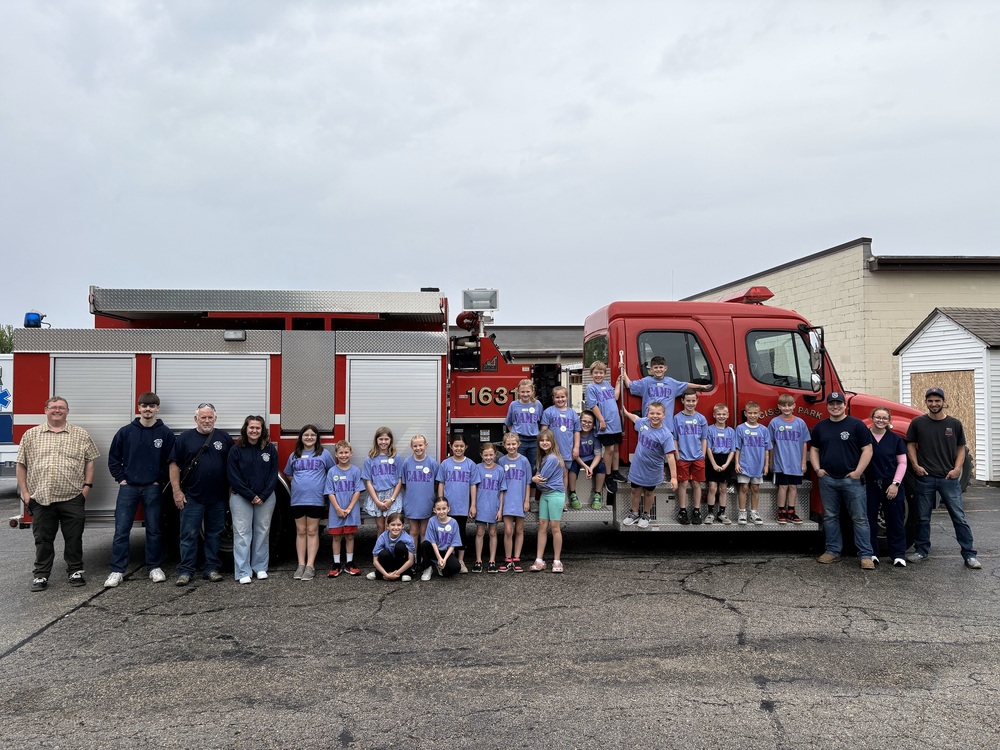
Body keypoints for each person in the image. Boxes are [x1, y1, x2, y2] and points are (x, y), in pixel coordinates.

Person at [17, 396, 100, 592]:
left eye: (61, 408)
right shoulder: (31, 435)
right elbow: (21, 464)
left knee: (74, 538)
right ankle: (41, 576)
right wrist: (26, 493)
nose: (57, 410)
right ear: (45, 410)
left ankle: (75, 571)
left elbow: (90, 461)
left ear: (67, 411)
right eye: (53, 407)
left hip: (72, 497)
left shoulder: (80, 434)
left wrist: (86, 488)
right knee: (43, 539)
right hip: (41, 497)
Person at [104, 392, 175, 588]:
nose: (148, 409)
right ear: (139, 408)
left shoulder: (165, 434)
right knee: (121, 530)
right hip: (129, 489)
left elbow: (171, 461)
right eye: (144, 406)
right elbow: (113, 459)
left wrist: (159, 481)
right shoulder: (126, 432)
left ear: (157, 408)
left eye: (152, 406)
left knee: (154, 529)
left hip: (153, 489)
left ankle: (154, 567)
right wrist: (121, 479)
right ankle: (117, 570)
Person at [905, 388, 980, 569]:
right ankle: (922, 550)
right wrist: (915, 465)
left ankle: (969, 554)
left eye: (937, 401)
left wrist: (957, 469)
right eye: (930, 401)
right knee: (923, 517)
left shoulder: (954, 424)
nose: (934, 404)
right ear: (926, 402)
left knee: (959, 517)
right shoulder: (917, 423)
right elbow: (910, 444)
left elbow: (961, 448)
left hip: (949, 479)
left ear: (943, 401)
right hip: (925, 478)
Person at [169, 403, 234, 586]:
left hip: (218, 498)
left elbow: (232, 466)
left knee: (214, 535)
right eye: (203, 417)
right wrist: (177, 491)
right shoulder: (184, 438)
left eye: (210, 417)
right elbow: (174, 465)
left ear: (215, 418)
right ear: (195, 419)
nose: (207, 420)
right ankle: (186, 571)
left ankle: (211, 569)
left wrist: (230, 493)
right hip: (192, 497)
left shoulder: (224, 438)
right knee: (188, 535)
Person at [809, 392, 875, 569]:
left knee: (860, 518)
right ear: (827, 406)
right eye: (832, 404)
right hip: (828, 479)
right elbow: (814, 449)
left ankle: (865, 555)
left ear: (844, 405)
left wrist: (858, 472)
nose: (835, 406)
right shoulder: (821, 427)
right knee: (830, 517)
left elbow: (867, 450)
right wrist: (818, 470)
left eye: (838, 403)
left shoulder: (856, 425)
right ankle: (832, 551)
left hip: (852, 480)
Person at [227, 415, 279, 584]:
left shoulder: (270, 449)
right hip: (241, 498)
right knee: (242, 534)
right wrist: (251, 495)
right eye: (252, 427)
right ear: (246, 429)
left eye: (258, 428)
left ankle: (260, 568)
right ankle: (243, 571)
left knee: (262, 532)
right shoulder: (236, 450)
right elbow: (233, 477)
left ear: (262, 430)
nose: (254, 431)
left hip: (266, 498)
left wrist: (263, 496)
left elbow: (273, 475)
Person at [283, 424, 335, 581]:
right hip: (298, 499)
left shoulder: (324, 454)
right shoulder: (294, 455)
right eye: (306, 435)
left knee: (312, 531)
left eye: (313, 435)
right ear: (301, 437)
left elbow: (332, 472)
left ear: (317, 438)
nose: (309, 438)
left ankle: (310, 565)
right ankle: (300, 564)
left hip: (316, 499)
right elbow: (288, 474)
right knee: (300, 531)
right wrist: (301, 485)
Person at [621, 402, 677, 529]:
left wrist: (673, 477)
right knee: (635, 490)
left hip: (653, 470)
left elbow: (670, 456)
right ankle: (634, 513)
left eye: (658, 413)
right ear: (648, 414)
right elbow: (636, 418)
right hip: (637, 467)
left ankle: (646, 515)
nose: (655, 416)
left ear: (664, 415)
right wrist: (626, 413)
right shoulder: (644, 422)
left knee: (648, 492)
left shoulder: (666, 435)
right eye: (652, 413)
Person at [865, 407, 907, 567]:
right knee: (869, 519)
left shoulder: (895, 439)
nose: (881, 420)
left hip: (891, 483)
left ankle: (898, 554)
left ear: (889, 420)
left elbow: (902, 463)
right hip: (871, 483)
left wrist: (895, 484)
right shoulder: (865, 437)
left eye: (884, 418)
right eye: (878, 417)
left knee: (895, 519)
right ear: (872, 417)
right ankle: (872, 553)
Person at [436, 434, 479, 573]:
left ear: (466, 447)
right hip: (447, 508)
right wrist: (440, 502)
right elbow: (441, 483)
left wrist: (472, 505)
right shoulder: (445, 464)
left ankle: (460, 561)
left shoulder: (470, 464)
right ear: (451, 446)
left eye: (461, 446)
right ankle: (445, 559)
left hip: (462, 507)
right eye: (456, 446)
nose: (458, 448)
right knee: (445, 534)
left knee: (460, 533)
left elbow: (473, 485)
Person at [767, 394, 810, 524]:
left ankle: (791, 511)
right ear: (779, 406)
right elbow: (771, 443)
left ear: (794, 406)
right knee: (783, 486)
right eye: (784, 405)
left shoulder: (800, 423)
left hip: (796, 463)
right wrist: (770, 461)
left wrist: (803, 462)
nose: (787, 408)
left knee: (793, 486)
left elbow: (804, 443)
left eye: (789, 405)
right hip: (781, 462)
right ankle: (781, 511)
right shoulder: (774, 422)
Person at [529, 428, 566, 572]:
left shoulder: (552, 458)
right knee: (542, 526)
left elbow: (540, 480)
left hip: (555, 494)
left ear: (552, 442)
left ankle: (557, 561)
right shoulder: (543, 457)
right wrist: (536, 478)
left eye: (547, 440)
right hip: (545, 495)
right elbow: (539, 479)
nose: (544, 443)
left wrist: (532, 479)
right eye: (542, 441)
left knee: (555, 527)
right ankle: (539, 560)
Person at [622, 355, 709, 417]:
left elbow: (686, 384)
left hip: (667, 426)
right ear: (651, 369)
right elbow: (629, 385)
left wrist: (701, 386)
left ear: (665, 368)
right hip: (649, 423)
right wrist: (623, 371)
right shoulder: (646, 382)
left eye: (661, 367)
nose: (658, 370)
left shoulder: (671, 382)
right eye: (655, 368)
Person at [326, 440, 364, 578]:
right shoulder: (332, 471)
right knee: (336, 537)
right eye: (340, 452)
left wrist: (348, 508)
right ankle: (336, 564)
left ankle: (349, 563)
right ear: (336, 454)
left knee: (349, 536)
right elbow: (330, 492)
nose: (343, 455)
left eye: (346, 452)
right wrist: (337, 508)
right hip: (336, 511)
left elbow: (357, 491)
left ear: (351, 453)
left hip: (351, 511)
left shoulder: (355, 471)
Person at [585, 361, 625, 482]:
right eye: (596, 372)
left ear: (604, 374)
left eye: (601, 372)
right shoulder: (591, 387)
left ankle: (616, 471)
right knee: (610, 449)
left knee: (617, 449)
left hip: (615, 423)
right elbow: (593, 405)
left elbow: (615, 397)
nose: (598, 375)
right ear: (591, 374)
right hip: (605, 424)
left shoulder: (607, 384)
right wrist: (601, 420)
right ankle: (608, 475)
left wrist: (618, 383)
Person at [540, 385, 580, 504]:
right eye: (557, 397)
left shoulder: (573, 414)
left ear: (567, 397)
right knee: (549, 473)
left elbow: (576, 431)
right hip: (552, 451)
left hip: (566, 450)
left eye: (562, 397)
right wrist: (544, 446)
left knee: (564, 474)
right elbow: (544, 431)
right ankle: (548, 498)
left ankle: (562, 501)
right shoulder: (548, 412)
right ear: (553, 398)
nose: (560, 399)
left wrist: (576, 447)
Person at [673, 389, 708, 524]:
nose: (690, 403)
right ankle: (682, 511)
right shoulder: (677, 418)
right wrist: (677, 455)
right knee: (683, 483)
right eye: (688, 400)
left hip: (698, 457)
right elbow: (674, 438)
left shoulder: (701, 418)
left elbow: (704, 438)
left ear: (697, 401)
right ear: (682, 401)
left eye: (693, 400)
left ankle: (696, 510)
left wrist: (703, 455)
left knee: (696, 483)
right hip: (683, 457)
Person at [499, 432, 532, 572]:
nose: (511, 446)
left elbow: (528, 483)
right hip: (507, 499)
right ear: (504, 445)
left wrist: (526, 500)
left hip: (519, 499)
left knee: (519, 529)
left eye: (514, 444)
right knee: (508, 530)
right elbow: (499, 484)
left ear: (518, 444)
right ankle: (508, 559)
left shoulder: (524, 461)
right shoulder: (501, 461)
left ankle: (516, 559)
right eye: (508, 444)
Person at [735, 402, 772, 526]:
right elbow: (738, 448)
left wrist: (766, 465)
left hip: (758, 465)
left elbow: (767, 449)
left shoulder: (764, 430)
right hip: (744, 463)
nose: (752, 415)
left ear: (759, 414)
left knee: (755, 488)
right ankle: (742, 512)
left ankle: (754, 512)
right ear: (745, 414)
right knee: (744, 487)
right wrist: (737, 463)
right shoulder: (740, 428)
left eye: (755, 413)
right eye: (750, 413)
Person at [400, 434, 439, 553]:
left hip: (426, 501)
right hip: (412, 501)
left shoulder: (432, 463)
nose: (418, 448)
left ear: (426, 445)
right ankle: (413, 557)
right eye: (415, 446)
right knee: (413, 531)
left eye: (420, 445)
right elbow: (404, 483)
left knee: (424, 531)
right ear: (411, 447)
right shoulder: (407, 462)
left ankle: (423, 559)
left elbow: (436, 484)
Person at [362, 426, 402, 536]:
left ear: (390, 440)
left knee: (389, 527)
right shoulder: (370, 458)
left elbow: (399, 480)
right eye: (380, 439)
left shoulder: (396, 457)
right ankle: (380, 551)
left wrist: (392, 499)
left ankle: (390, 552)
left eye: (386, 439)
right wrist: (377, 501)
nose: (383, 442)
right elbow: (368, 482)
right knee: (380, 527)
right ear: (376, 440)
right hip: (377, 495)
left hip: (392, 495)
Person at [473, 443, 505, 573]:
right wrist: (473, 505)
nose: (488, 457)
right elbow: (473, 488)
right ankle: (478, 560)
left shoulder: (500, 470)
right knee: (480, 532)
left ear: (495, 454)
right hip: (481, 506)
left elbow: (502, 491)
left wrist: (500, 509)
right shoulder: (477, 468)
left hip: (493, 505)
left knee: (493, 533)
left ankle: (492, 560)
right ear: (481, 455)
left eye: (491, 454)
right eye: (485, 455)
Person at [704, 403, 736, 525]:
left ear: (728, 415)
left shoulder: (731, 431)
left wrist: (727, 464)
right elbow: (708, 448)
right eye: (719, 414)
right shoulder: (710, 429)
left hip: (726, 460)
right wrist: (713, 464)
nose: (721, 416)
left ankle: (722, 513)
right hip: (713, 459)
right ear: (714, 415)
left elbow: (733, 450)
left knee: (723, 489)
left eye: (724, 414)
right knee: (712, 488)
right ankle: (710, 513)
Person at [419, 497, 462, 580]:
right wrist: (439, 557)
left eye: (444, 508)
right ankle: (428, 567)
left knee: (455, 568)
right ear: (434, 510)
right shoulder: (432, 521)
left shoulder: (453, 522)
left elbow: (453, 544)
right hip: (435, 550)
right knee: (425, 544)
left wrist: (444, 559)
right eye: (438, 509)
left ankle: (440, 566)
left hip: (446, 552)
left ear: (448, 509)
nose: (441, 512)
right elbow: (432, 542)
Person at [504, 379, 543, 468]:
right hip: (519, 440)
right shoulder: (513, 405)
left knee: (533, 465)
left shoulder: (538, 405)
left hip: (533, 440)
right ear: (518, 392)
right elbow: (509, 423)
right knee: (519, 465)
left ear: (533, 391)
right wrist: (514, 435)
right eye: (522, 392)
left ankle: (531, 482)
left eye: (528, 391)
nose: (525, 394)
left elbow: (541, 422)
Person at [571, 410, 606, 510]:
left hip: (591, 459)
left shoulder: (594, 434)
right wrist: (585, 467)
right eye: (584, 421)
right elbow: (574, 455)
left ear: (594, 424)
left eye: (590, 422)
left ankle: (597, 494)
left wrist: (591, 468)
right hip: (577, 459)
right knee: (571, 468)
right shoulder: (575, 433)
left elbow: (598, 455)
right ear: (579, 421)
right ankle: (573, 494)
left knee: (601, 467)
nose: (586, 424)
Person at [367, 512, 415, 581]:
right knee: (384, 553)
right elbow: (375, 561)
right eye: (392, 525)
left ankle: (404, 573)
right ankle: (384, 573)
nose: (396, 528)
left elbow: (410, 561)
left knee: (400, 546)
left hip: (401, 564)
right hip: (388, 563)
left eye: (399, 525)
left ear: (403, 526)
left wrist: (397, 573)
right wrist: (387, 575)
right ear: (387, 526)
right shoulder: (382, 537)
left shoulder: (407, 539)